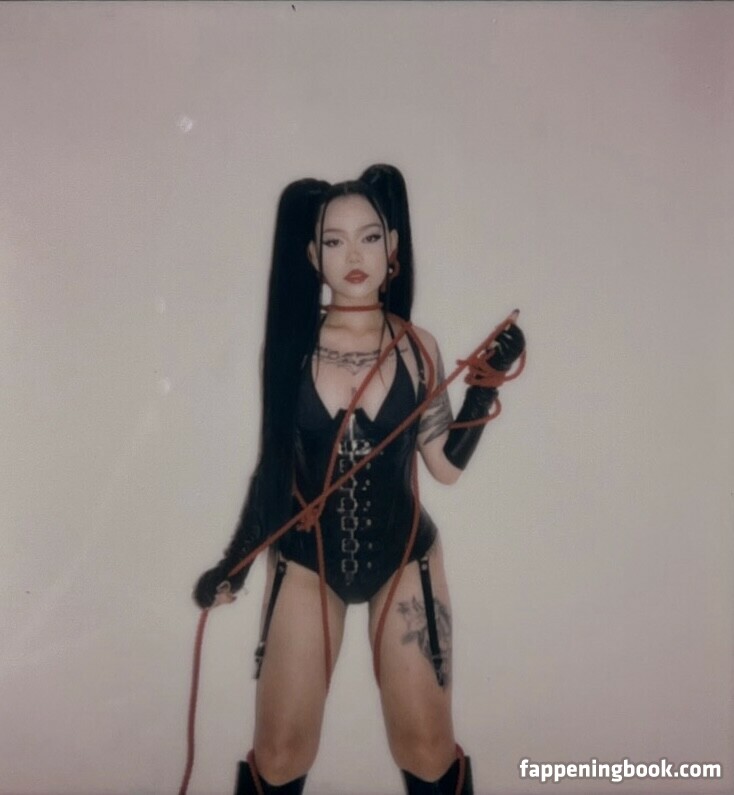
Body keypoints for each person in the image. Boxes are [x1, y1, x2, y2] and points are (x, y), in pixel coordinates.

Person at [193, 165, 525, 795]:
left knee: (427, 748)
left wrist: (484, 385)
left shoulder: (419, 347)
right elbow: (273, 465)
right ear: (312, 255)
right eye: (335, 240)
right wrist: (236, 561)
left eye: (370, 237)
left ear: (392, 246)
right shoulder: (289, 350)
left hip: (405, 558)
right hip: (306, 562)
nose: (354, 256)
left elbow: (444, 466)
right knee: (281, 753)